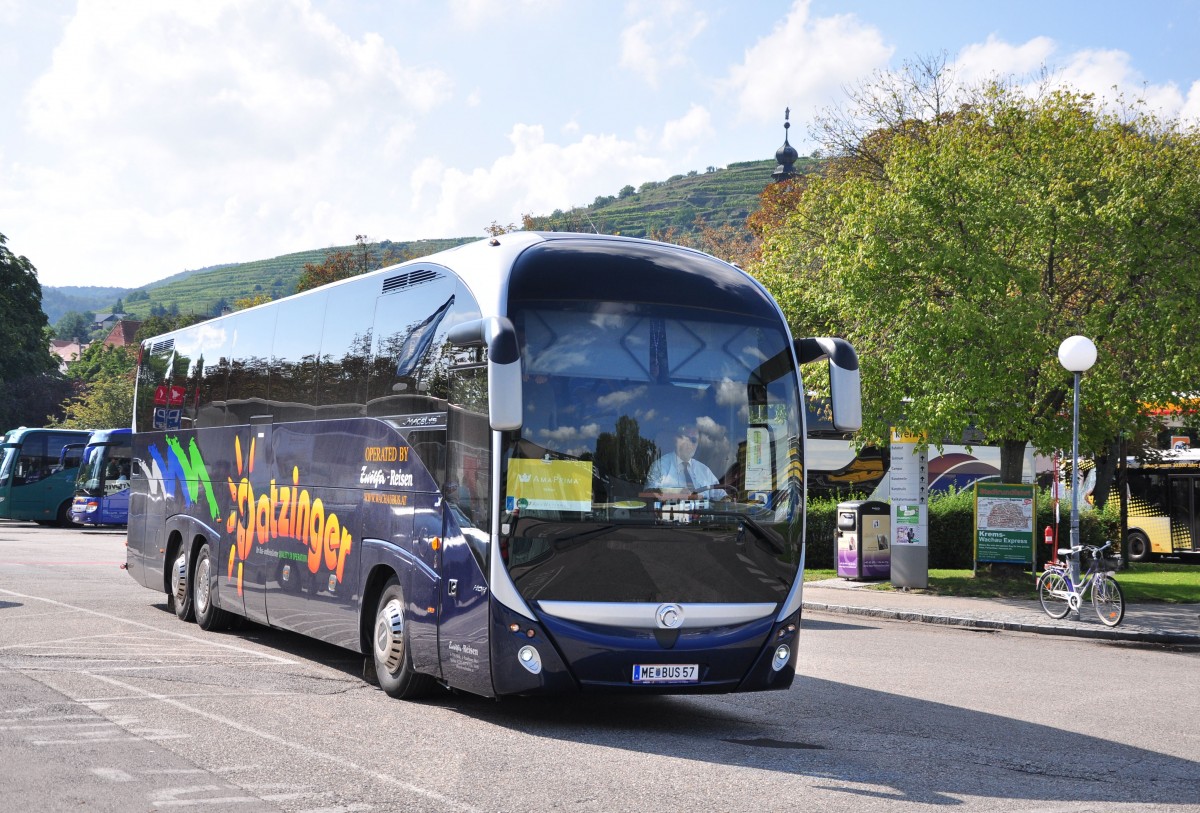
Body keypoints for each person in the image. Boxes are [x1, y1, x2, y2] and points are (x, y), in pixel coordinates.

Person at [645, 424, 725, 499]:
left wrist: (726, 499)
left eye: (693, 440)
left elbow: (721, 496)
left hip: (702, 513)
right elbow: (648, 495)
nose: (688, 443)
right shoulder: (660, 467)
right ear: (675, 439)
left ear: (697, 444)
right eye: (683, 437)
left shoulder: (705, 471)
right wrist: (675, 493)